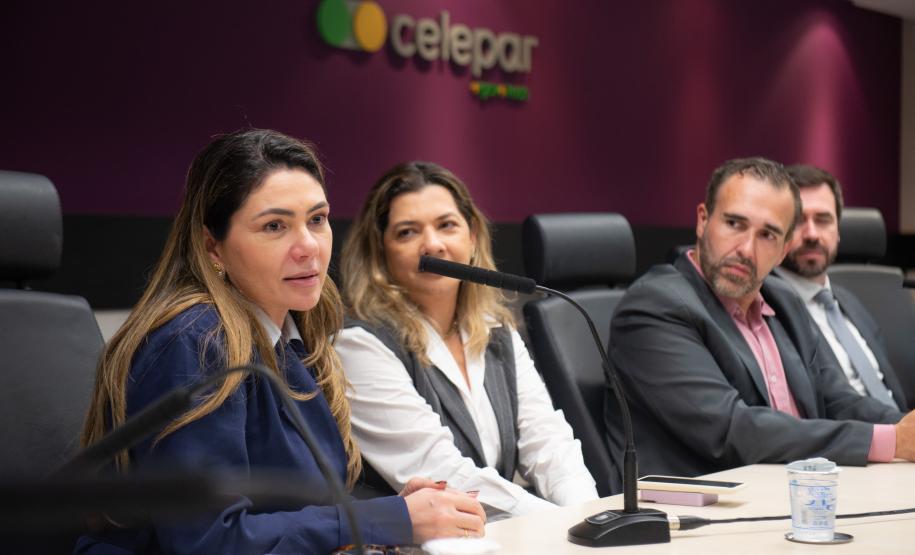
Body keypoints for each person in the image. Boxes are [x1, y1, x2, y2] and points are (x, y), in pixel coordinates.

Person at [75, 130, 485, 554]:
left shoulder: (295, 333)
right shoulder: (193, 343)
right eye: (275, 226)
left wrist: (392, 514)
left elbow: (301, 510)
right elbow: (213, 541)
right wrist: (382, 521)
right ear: (212, 246)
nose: (308, 247)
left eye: (317, 219)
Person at [604, 157, 915, 480]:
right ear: (702, 220)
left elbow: (836, 398)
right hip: (698, 510)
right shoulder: (654, 307)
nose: (746, 249)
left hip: (797, 494)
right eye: (734, 224)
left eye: (767, 235)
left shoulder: (785, 302)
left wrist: (904, 427)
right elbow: (732, 430)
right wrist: (890, 441)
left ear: (783, 250)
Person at [335, 162, 598, 519]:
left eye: (447, 225)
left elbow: (547, 443)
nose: (433, 244)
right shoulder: (358, 345)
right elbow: (440, 473)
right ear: (381, 252)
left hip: (502, 535)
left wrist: (589, 515)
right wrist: (557, 523)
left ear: (471, 237)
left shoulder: (497, 331)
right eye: (407, 232)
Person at [775, 164, 908, 410]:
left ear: (838, 231)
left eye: (823, 220)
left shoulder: (848, 301)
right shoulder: (767, 307)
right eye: (798, 220)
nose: (812, 234)